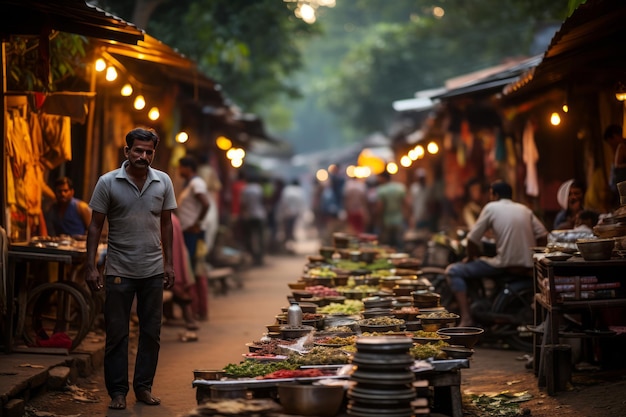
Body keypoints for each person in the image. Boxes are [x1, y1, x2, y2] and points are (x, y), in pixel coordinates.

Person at [84, 127, 177, 410]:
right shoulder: (108, 182)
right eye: (138, 150)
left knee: (151, 333)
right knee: (117, 334)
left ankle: (144, 388)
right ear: (127, 151)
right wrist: (90, 266)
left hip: (152, 270)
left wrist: (169, 263)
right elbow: (95, 226)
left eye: (149, 152)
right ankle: (118, 392)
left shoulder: (163, 182)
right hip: (118, 270)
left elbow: (166, 224)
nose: (143, 156)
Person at [445, 180, 548, 327]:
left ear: (494, 194)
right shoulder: (524, 209)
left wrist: (472, 256)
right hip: (528, 264)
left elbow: (472, 239)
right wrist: (535, 253)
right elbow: (543, 235)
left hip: (504, 264)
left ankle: (467, 318)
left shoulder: (491, 207)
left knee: (453, 271)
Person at [177, 155, 210, 269]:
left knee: (191, 263)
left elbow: (206, 204)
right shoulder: (190, 183)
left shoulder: (196, 183)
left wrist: (197, 224)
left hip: (193, 230)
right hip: (188, 228)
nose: (179, 170)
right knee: (189, 262)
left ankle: (193, 286)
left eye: (180, 167)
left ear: (188, 168)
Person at [374, 171, 408, 250]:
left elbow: (380, 207)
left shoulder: (382, 189)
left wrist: (378, 220)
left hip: (387, 221)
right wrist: (408, 218)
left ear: (383, 178)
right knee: (399, 244)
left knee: (387, 246)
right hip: (399, 220)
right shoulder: (400, 187)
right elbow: (406, 204)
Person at [239, 175, 267, 265]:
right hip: (260, 215)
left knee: (249, 237)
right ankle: (260, 257)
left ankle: (253, 256)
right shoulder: (259, 189)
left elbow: (243, 203)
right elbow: (263, 201)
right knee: (260, 237)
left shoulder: (245, 189)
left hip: (249, 216)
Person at [276, 178, 307, 252]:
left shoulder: (287, 189)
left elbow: (283, 201)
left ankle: (287, 245)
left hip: (286, 213)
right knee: (291, 229)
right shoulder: (300, 191)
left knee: (286, 230)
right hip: (295, 214)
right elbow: (302, 203)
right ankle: (289, 245)